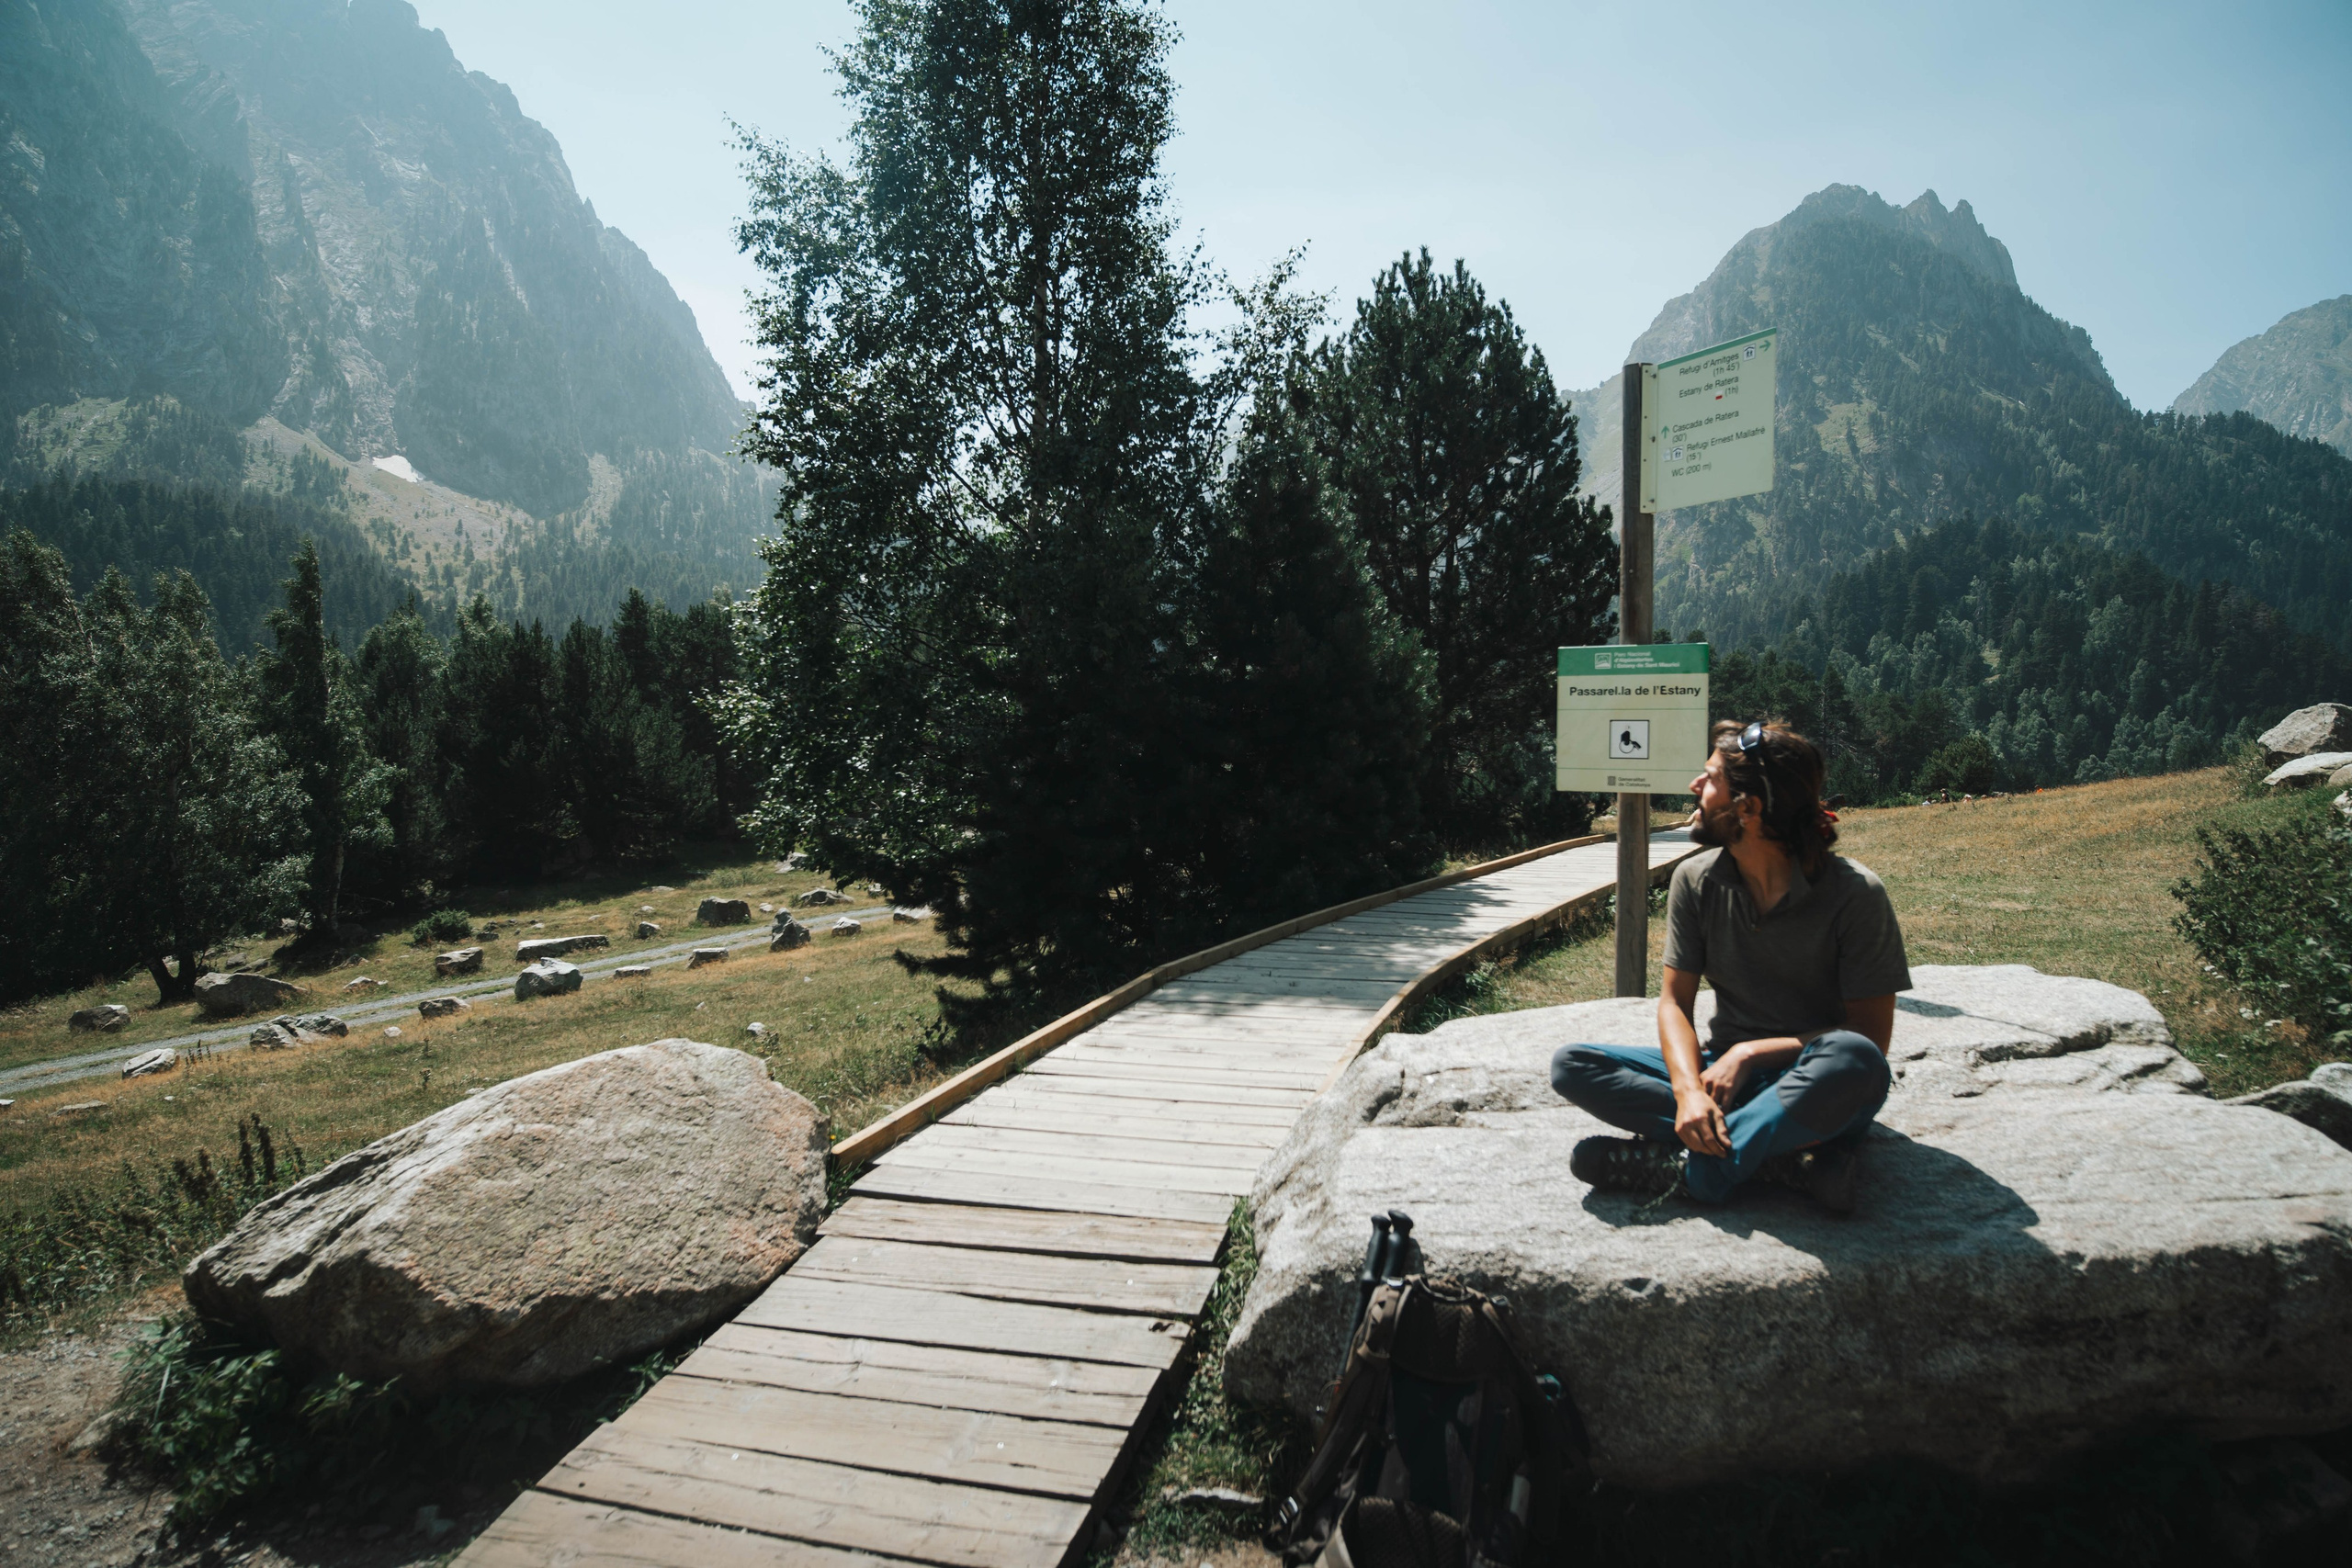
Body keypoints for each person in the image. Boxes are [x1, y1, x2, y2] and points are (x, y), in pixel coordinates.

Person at [1549, 719, 1910, 1213]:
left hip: (1808, 1081)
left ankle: (1694, 1170)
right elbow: (1675, 1003)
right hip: (1718, 1076)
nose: (1695, 787)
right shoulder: (1696, 880)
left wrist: (1751, 1054)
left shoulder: (1854, 894)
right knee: (1574, 1065)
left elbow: (1870, 1038)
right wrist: (1689, 1093)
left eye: (1711, 777)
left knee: (1855, 1060)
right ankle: (1778, 1161)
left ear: (1749, 808)